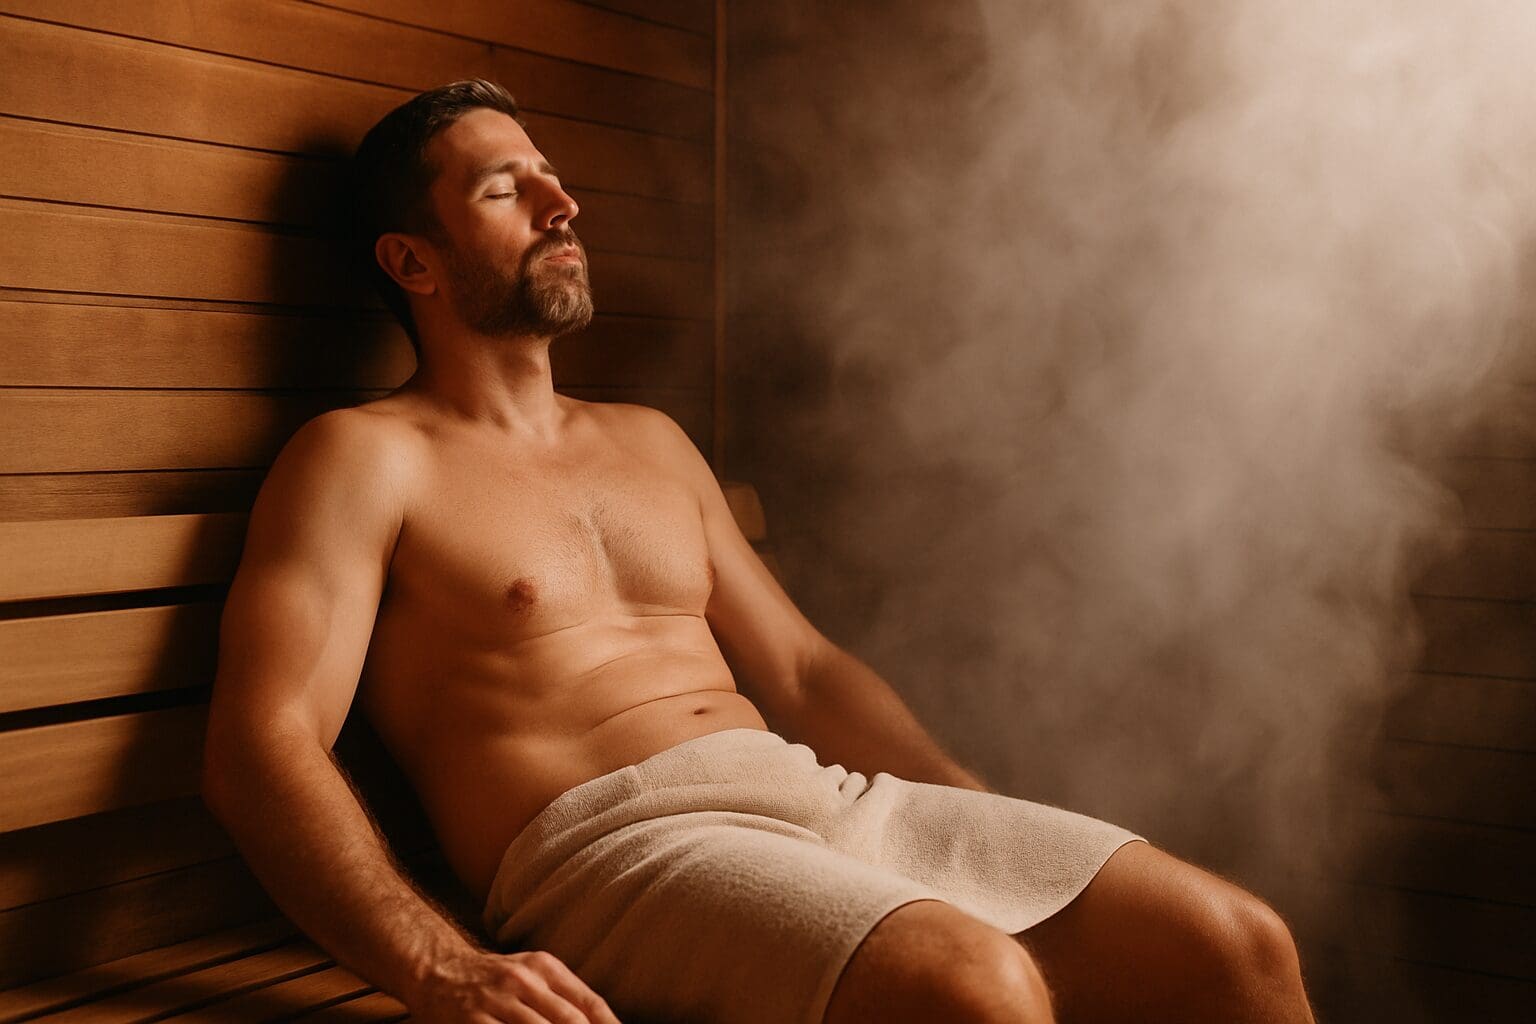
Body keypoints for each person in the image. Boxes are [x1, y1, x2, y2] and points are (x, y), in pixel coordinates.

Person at [201, 79, 1316, 1024]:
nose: (561, 202)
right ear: (414, 261)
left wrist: (967, 816)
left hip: (819, 801)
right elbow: (265, 741)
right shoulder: (363, 458)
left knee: (1238, 943)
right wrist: (436, 962)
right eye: (505, 189)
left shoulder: (650, 440)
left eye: (550, 175)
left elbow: (803, 673)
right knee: (976, 987)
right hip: (618, 851)